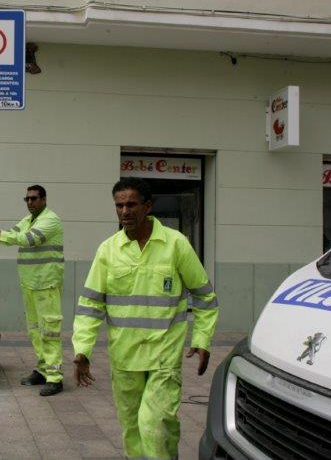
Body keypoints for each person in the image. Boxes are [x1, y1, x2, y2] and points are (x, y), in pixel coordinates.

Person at [72, 177, 218, 460]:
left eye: (131, 204)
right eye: (119, 206)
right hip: (125, 359)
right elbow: (90, 305)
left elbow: (204, 297)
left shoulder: (176, 245)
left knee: (154, 425)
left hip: (164, 357)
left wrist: (202, 339)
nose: (125, 211)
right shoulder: (108, 250)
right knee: (132, 430)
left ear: (148, 206)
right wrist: (82, 350)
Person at [0, 185, 64, 396]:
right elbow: (12, 235)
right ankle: (43, 369)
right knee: (35, 330)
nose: (30, 202)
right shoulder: (28, 220)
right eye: (27, 199)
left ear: (44, 199)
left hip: (46, 284)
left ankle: (55, 378)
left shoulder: (50, 220)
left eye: (34, 198)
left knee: (49, 331)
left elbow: (28, 239)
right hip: (30, 284)